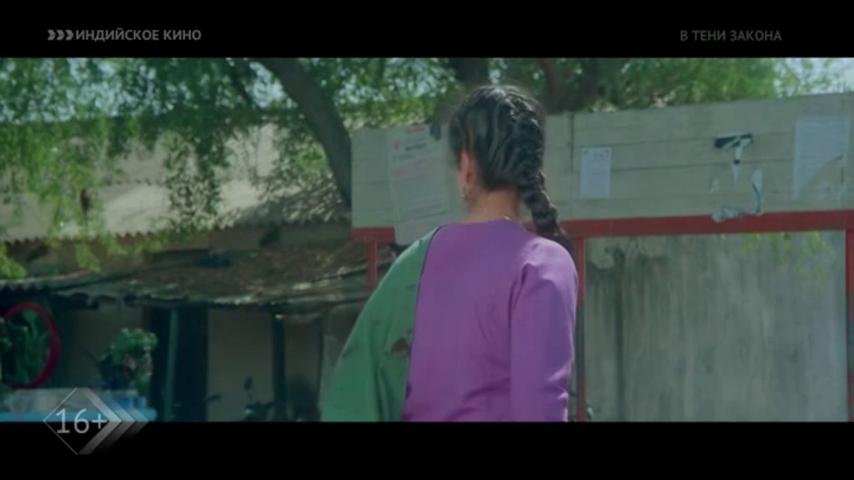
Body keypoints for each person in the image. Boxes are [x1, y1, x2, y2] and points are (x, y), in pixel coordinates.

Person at [321, 85, 578, 422]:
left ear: (466, 165)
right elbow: (539, 409)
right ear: (533, 165)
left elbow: (355, 389)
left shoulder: (414, 263)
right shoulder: (543, 264)